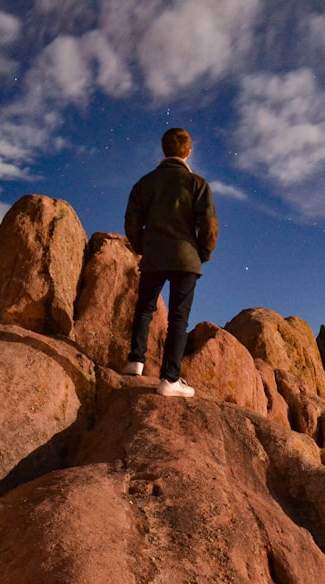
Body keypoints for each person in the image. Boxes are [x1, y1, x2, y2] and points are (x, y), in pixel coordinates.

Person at [122, 127, 218, 397]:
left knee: (144, 308)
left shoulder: (144, 184)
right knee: (178, 318)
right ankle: (169, 379)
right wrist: (203, 253)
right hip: (186, 258)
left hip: (154, 256)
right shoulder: (197, 184)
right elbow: (209, 225)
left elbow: (131, 222)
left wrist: (144, 247)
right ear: (188, 152)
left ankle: (135, 361)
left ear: (164, 149)